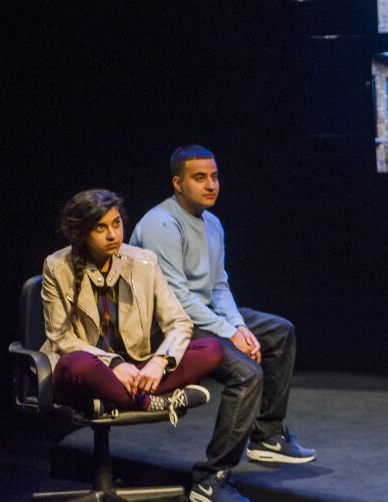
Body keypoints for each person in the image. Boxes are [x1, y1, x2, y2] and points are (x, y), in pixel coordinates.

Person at [130, 145, 314, 502]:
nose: (211, 185)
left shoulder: (212, 223)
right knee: (247, 374)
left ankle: (267, 436)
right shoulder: (160, 224)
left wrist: (238, 326)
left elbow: (218, 285)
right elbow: (177, 299)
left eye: (214, 177)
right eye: (200, 178)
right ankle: (210, 479)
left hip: (201, 315)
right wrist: (229, 332)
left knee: (279, 332)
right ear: (178, 183)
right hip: (165, 327)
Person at [42, 189, 222, 428]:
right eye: (100, 228)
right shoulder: (56, 266)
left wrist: (159, 363)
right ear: (82, 233)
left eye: (116, 223)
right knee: (75, 364)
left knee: (212, 349)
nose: (113, 234)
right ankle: (150, 401)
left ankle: (113, 399)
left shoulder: (145, 261)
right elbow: (60, 338)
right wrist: (114, 364)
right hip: (93, 371)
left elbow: (179, 322)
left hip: (138, 369)